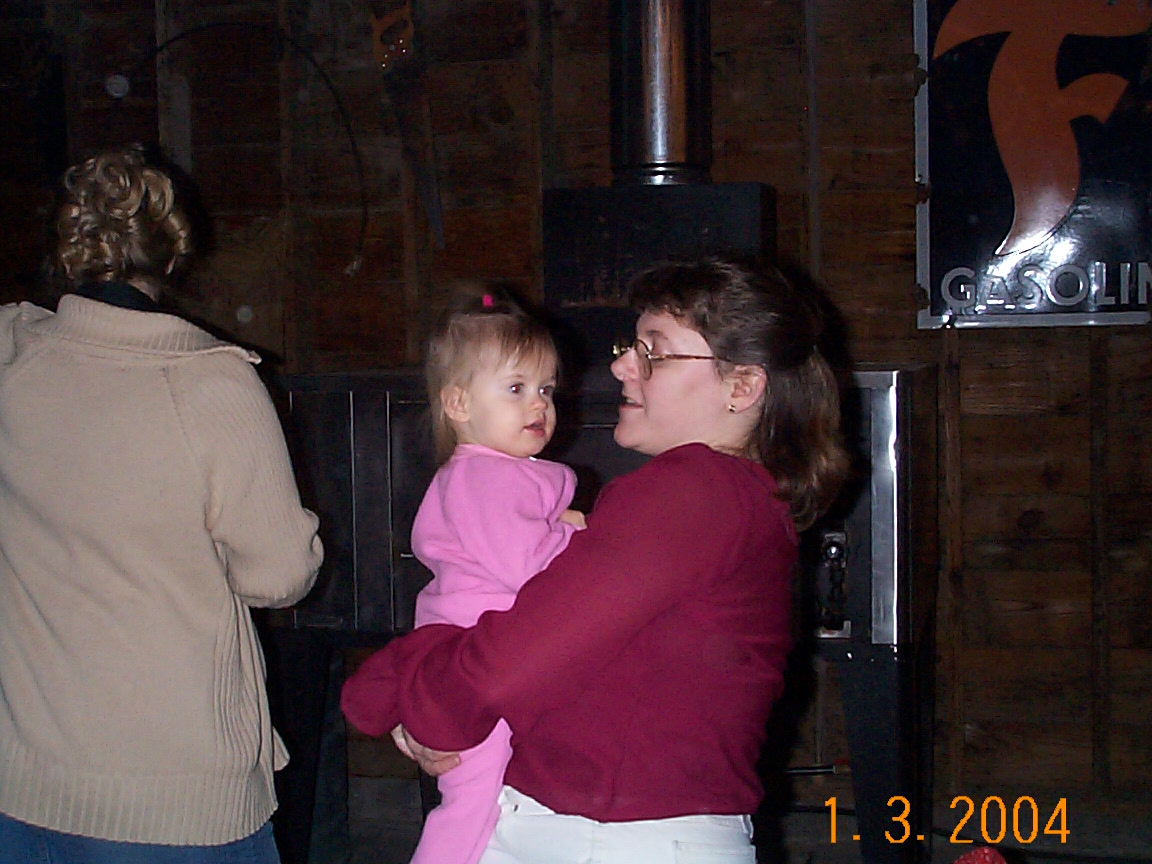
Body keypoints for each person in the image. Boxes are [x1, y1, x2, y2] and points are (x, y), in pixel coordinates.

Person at [342, 257, 850, 864]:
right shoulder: (734, 495)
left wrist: (422, 699)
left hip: (610, 837)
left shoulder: (695, 489)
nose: (622, 366)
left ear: (741, 386)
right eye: (630, 346)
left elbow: (512, 659)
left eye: (654, 351)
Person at [0, 145, 324, 863]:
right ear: (173, 253)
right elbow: (279, 575)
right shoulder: (213, 388)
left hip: (20, 786)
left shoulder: (12, 356)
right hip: (170, 803)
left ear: (74, 245)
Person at [405, 284, 585, 864]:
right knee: (472, 796)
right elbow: (528, 566)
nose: (539, 405)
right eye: (515, 389)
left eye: (546, 389)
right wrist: (581, 537)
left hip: (484, 654)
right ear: (458, 404)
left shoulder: (497, 472)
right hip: (471, 663)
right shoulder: (486, 477)